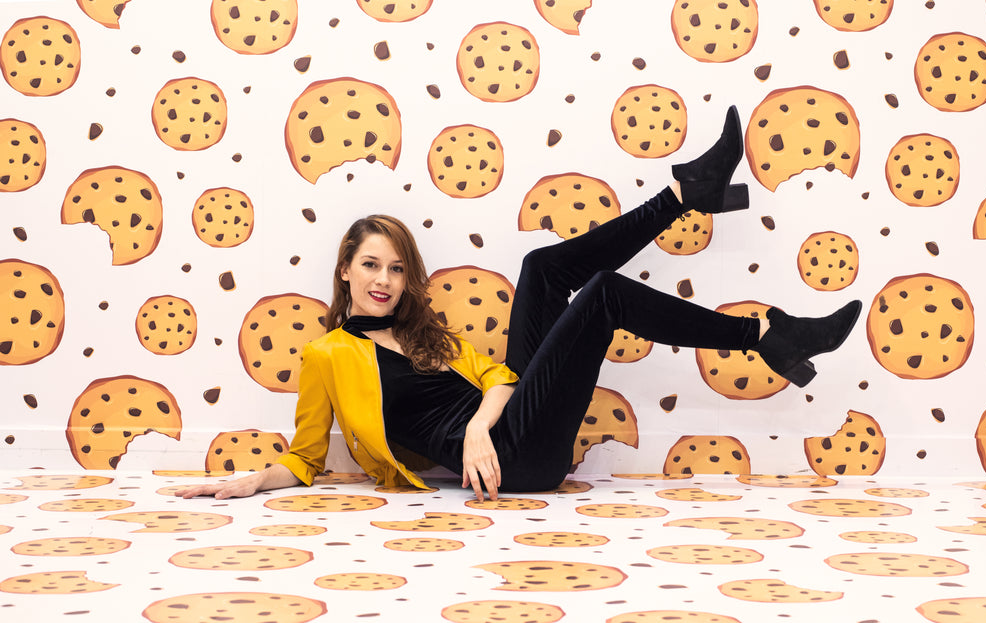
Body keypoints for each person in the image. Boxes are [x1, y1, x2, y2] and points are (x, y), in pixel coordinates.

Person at [178, 107, 861, 503]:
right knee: (604, 296)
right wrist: (250, 482)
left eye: (395, 267)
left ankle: (687, 196)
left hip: (504, 438)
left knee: (541, 267)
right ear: (347, 273)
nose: (384, 280)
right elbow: (305, 459)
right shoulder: (328, 354)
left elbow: (501, 378)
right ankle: (764, 333)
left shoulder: (425, 335)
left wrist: (476, 427)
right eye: (370, 266)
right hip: (518, 467)